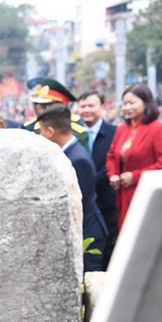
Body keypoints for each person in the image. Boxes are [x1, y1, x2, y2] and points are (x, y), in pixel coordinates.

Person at [38, 106, 108, 272]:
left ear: (49, 131)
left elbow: (78, 202)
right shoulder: (68, 154)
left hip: (87, 232)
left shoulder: (77, 160)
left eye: (41, 131)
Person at [106, 83, 162, 230]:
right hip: (123, 195)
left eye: (132, 103)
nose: (127, 107)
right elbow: (111, 155)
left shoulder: (158, 129)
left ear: (146, 103)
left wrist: (135, 176)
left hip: (146, 195)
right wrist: (112, 174)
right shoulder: (122, 129)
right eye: (124, 103)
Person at [78, 91, 118, 268]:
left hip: (107, 202)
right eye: (83, 106)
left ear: (102, 107)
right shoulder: (73, 134)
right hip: (83, 205)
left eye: (91, 106)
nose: (86, 110)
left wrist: (93, 180)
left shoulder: (114, 132)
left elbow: (113, 163)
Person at [23, 77, 89, 149]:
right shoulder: (28, 128)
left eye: (48, 105)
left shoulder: (77, 130)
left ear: (63, 105)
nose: (41, 110)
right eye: (38, 104)